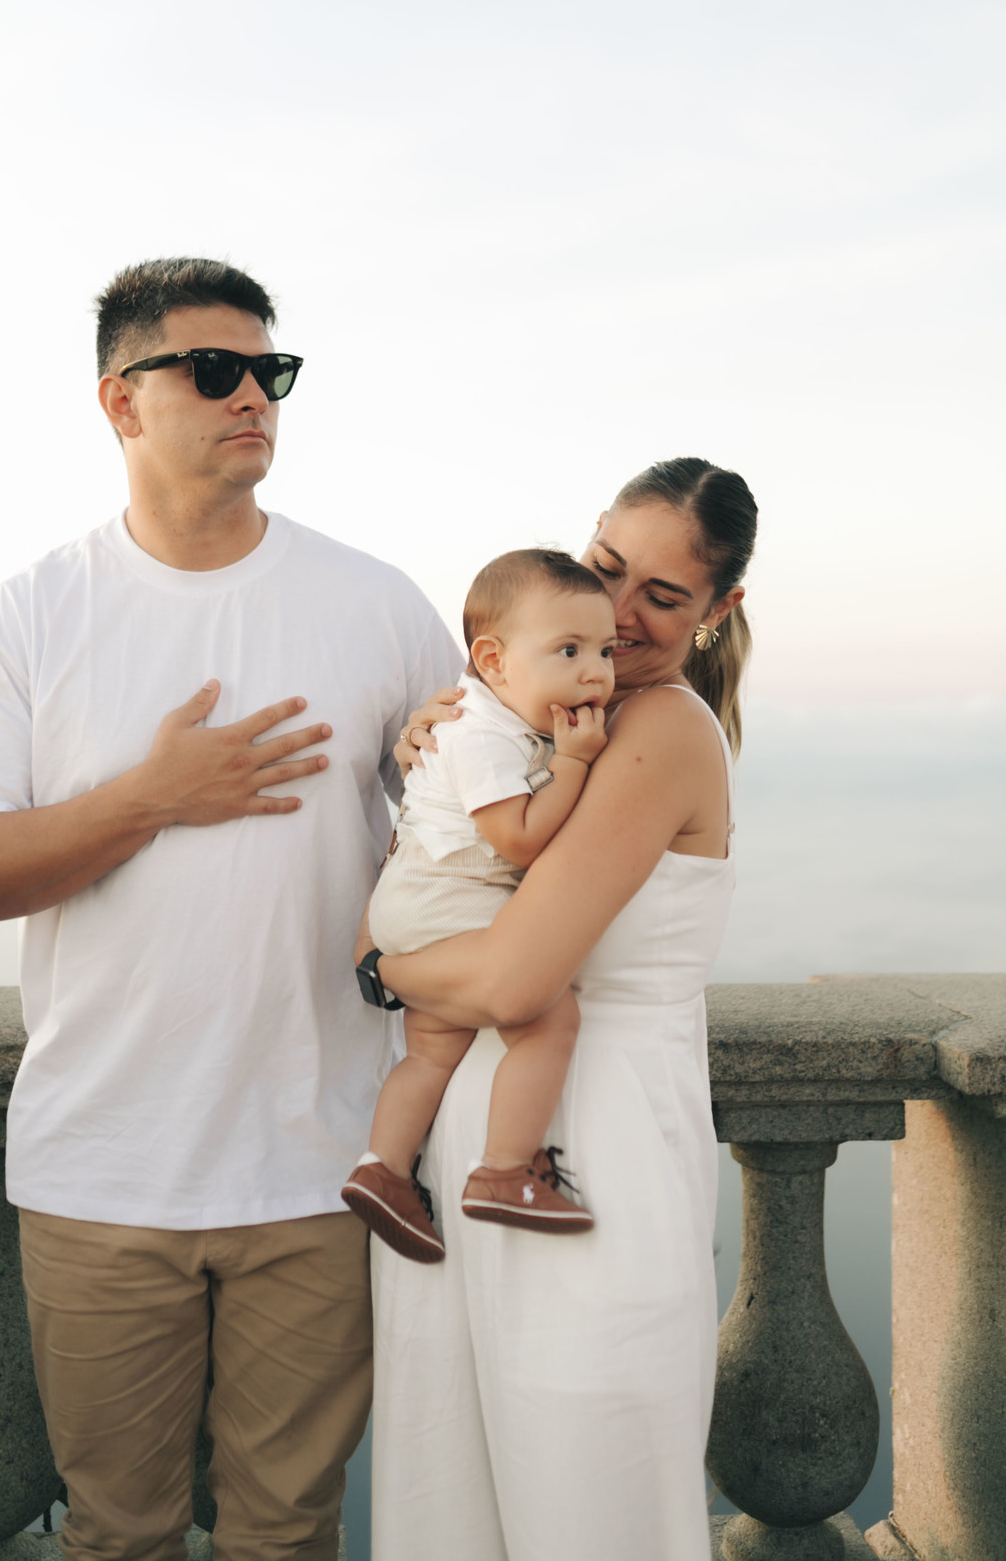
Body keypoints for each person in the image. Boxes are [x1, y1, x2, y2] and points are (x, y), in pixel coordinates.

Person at [0, 257, 462, 1561]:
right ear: (122, 401)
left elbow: (472, 838)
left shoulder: (375, 603)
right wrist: (150, 797)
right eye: (215, 371)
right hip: (103, 1167)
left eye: (272, 372)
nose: (253, 396)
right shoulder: (30, 616)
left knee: (289, 1534)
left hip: (323, 1164)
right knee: (119, 1536)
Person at [363, 457, 757, 1561]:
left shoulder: (659, 730)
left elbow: (509, 983)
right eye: (606, 566)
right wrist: (440, 773)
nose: (618, 614)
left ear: (719, 610)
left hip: (594, 1154)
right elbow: (429, 896)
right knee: (453, 1493)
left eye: (663, 596)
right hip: (470, 1151)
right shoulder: (523, 721)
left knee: (589, 1501)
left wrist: (383, 970)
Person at [343, 548, 616, 1261]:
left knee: (432, 1049)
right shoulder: (480, 733)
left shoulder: (494, 718)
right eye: (570, 650)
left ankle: (383, 1169)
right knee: (550, 1016)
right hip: (446, 901)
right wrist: (573, 763)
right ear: (493, 660)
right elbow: (517, 837)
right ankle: (504, 1169)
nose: (596, 670)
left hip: (416, 907)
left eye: (606, 650)